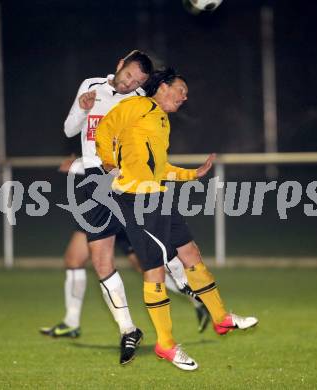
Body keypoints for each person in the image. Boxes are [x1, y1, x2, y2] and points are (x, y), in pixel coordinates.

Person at [95, 67, 258, 370]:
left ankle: (221, 318)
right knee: (155, 271)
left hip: (158, 194)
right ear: (164, 86)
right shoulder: (138, 105)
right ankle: (166, 345)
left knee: (190, 252)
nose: (185, 96)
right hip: (138, 200)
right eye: (181, 89)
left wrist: (191, 174)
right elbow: (105, 129)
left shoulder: (160, 119)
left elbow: (160, 168)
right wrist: (107, 164)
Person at [40, 50, 153, 365]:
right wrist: (82, 107)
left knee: (142, 254)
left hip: (122, 182)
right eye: (129, 75)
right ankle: (128, 329)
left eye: (138, 81)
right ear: (119, 65)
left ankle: (191, 294)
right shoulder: (90, 85)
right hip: (91, 183)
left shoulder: (141, 101)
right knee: (101, 261)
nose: (131, 83)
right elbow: (70, 130)